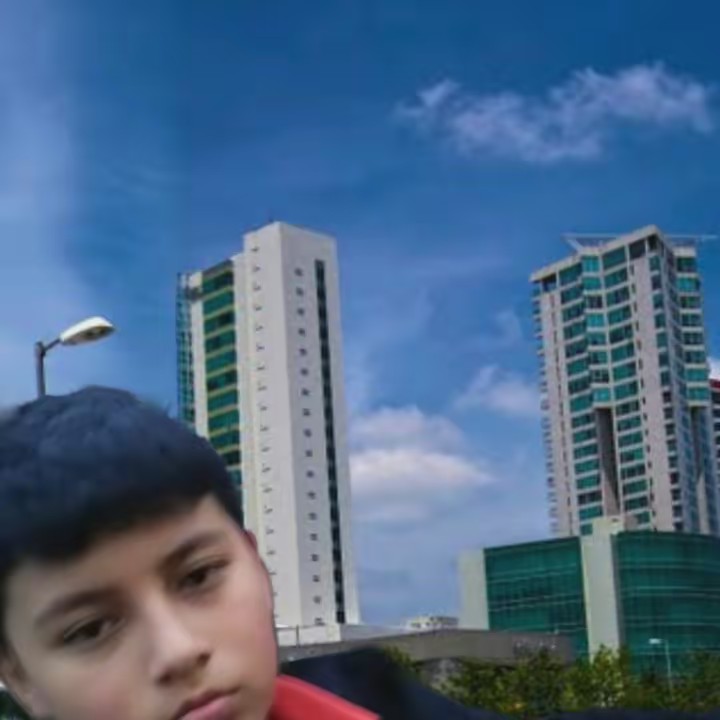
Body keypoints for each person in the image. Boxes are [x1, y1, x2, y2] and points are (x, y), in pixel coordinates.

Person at [0, 387, 710, 720]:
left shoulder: (375, 697)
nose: (180, 650)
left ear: (256, 564)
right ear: (19, 677)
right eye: (90, 629)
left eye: (199, 576)